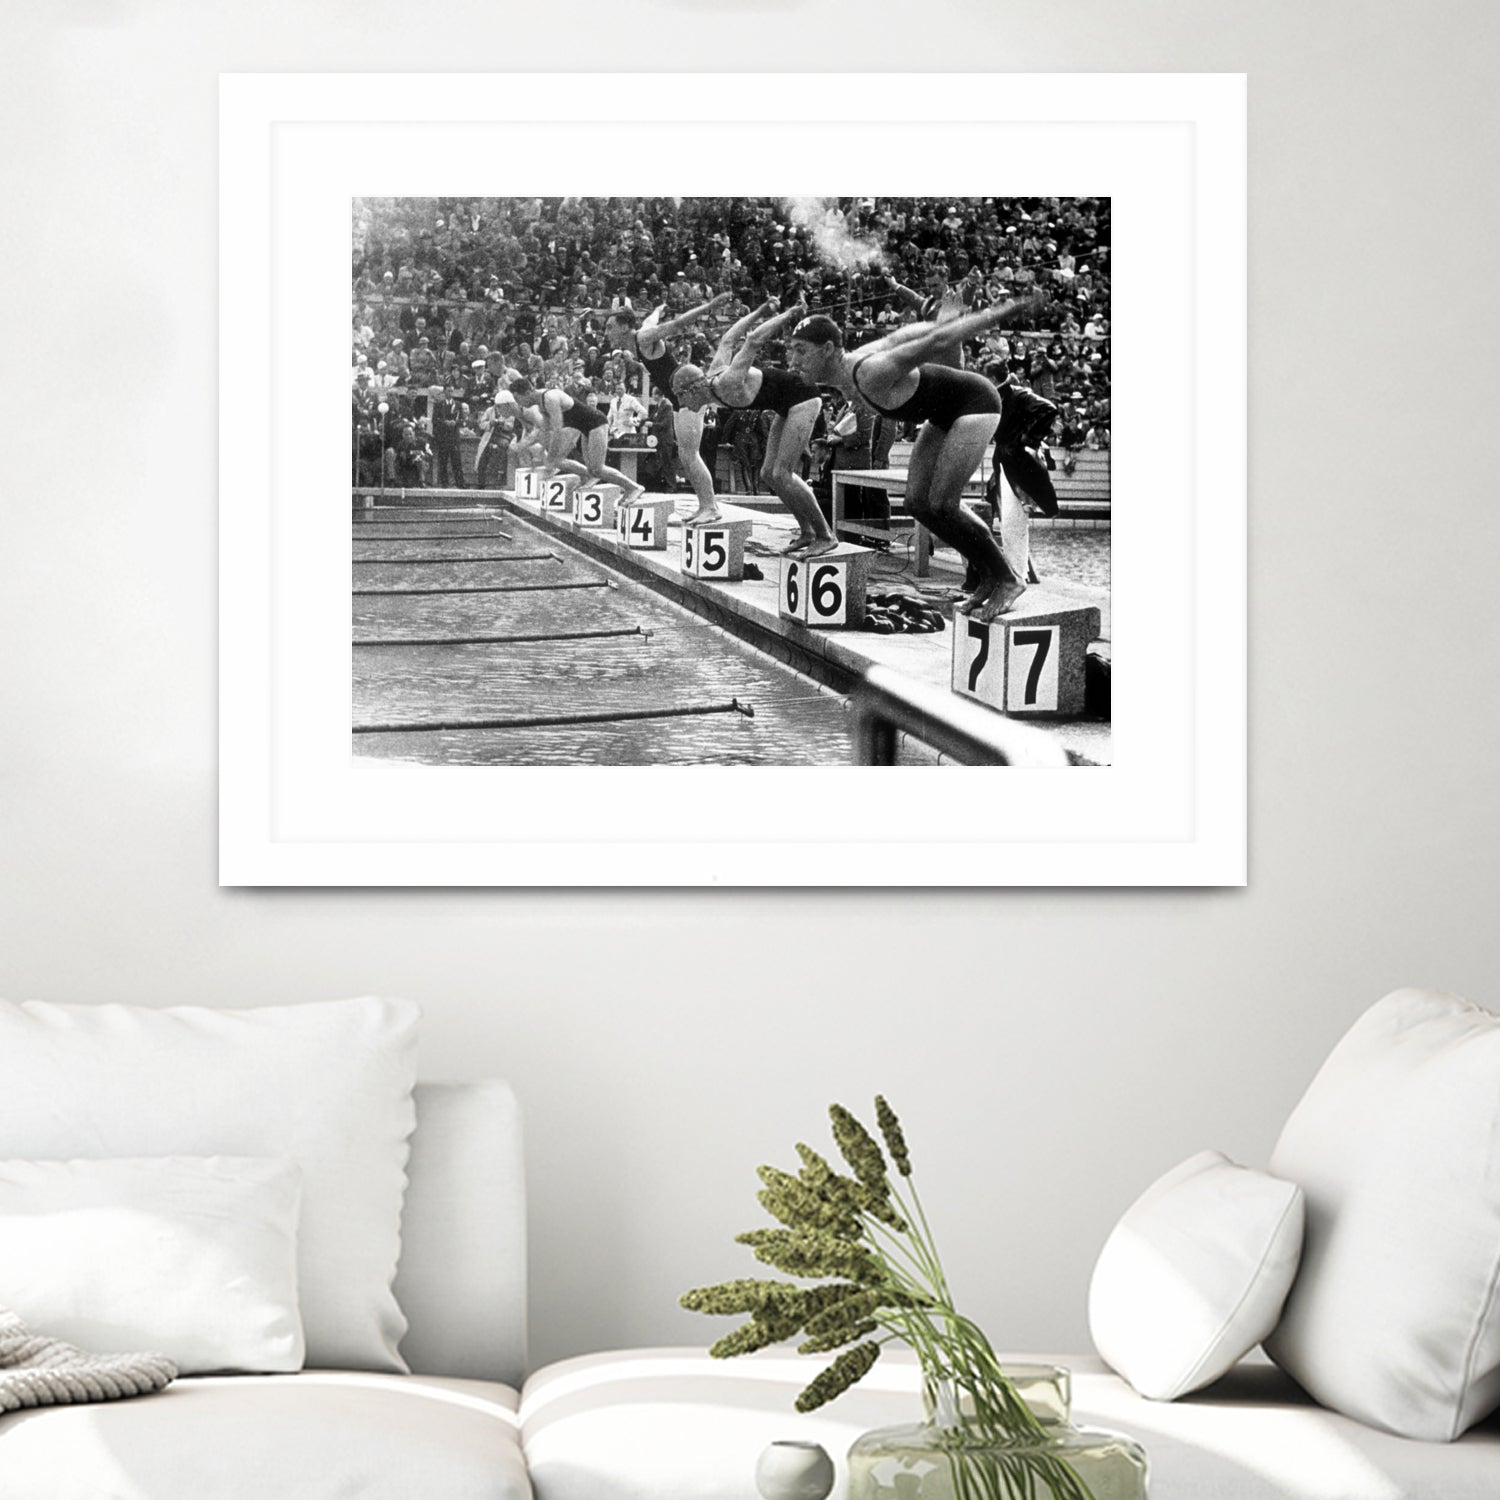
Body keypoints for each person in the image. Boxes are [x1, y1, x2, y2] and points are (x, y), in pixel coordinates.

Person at [785, 297, 1037, 620]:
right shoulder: (854, 368)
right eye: (791, 350)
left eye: (800, 350)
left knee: (944, 502)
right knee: (917, 503)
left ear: (828, 349)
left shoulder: (869, 372)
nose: (792, 361)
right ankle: (987, 573)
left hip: (976, 403)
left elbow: (937, 341)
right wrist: (937, 321)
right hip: (942, 413)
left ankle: (1007, 577)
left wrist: (1004, 310)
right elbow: (905, 335)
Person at [671, 299, 835, 556]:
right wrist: (759, 310)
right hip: (784, 404)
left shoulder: (727, 381)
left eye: (681, 398)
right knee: (768, 474)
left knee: (782, 473)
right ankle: (807, 532)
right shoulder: (714, 373)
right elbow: (729, 337)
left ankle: (825, 534)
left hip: (803, 397)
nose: (682, 405)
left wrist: (789, 313)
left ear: (692, 388)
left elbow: (753, 341)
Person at [603, 294, 729, 526]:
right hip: (679, 397)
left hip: (689, 394)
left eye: (610, 327)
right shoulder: (641, 335)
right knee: (686, 455)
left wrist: (710, 306)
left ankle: (710, 506)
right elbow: (652, 317)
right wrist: (659, 308)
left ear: (623, 327)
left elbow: (677, 325)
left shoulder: (644, 338)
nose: (606, 333)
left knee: (690, 455)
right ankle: (705, 505)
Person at [509, 379, 642, 500]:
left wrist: (550, 458)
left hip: (597, 423)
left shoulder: (550, 398)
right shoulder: (540, 405)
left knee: (598, 469)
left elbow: (557, 430)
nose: (518, 403)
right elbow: (544, 430)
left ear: (527, 392)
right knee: (592, 471)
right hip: (584, 428)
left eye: (517, 398)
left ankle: (633, 487)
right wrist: (541, 450)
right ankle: (589, 479)